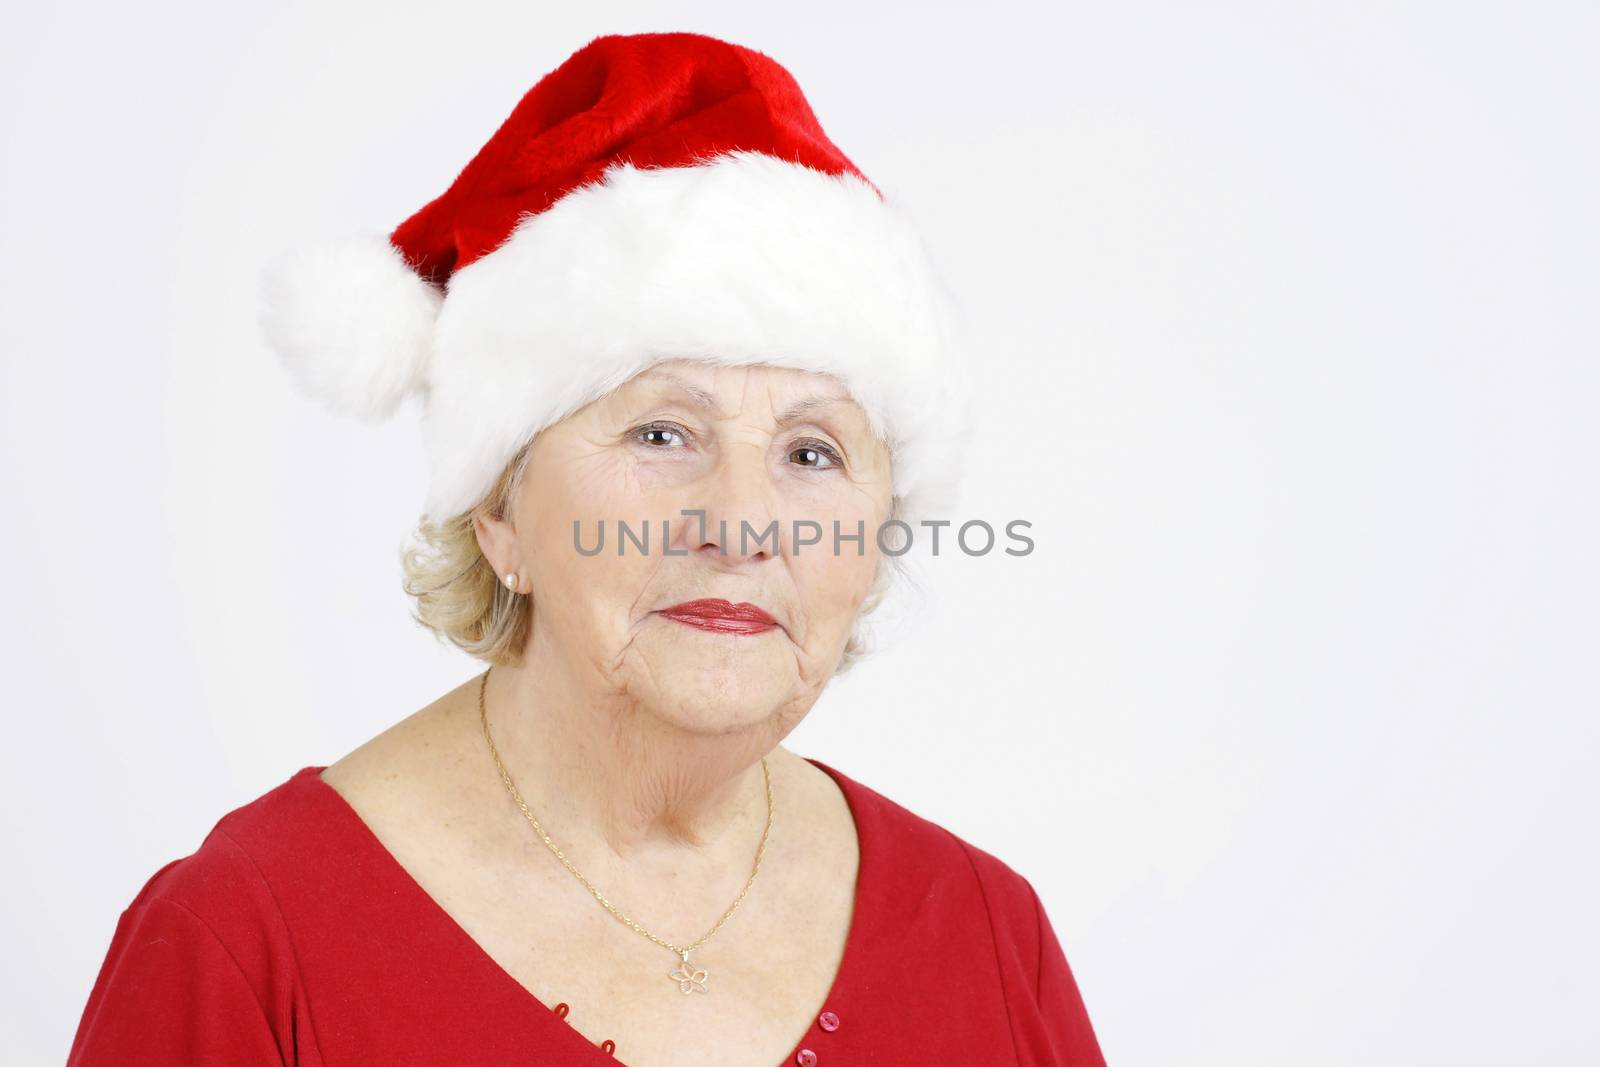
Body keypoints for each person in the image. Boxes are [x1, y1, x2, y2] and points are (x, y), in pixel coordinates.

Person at [67, 31, 1108, 1066]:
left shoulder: (988, 932)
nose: (742, 524)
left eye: (811, 449)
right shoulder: (250, 939)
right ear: (499, 506)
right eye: (662, 433)